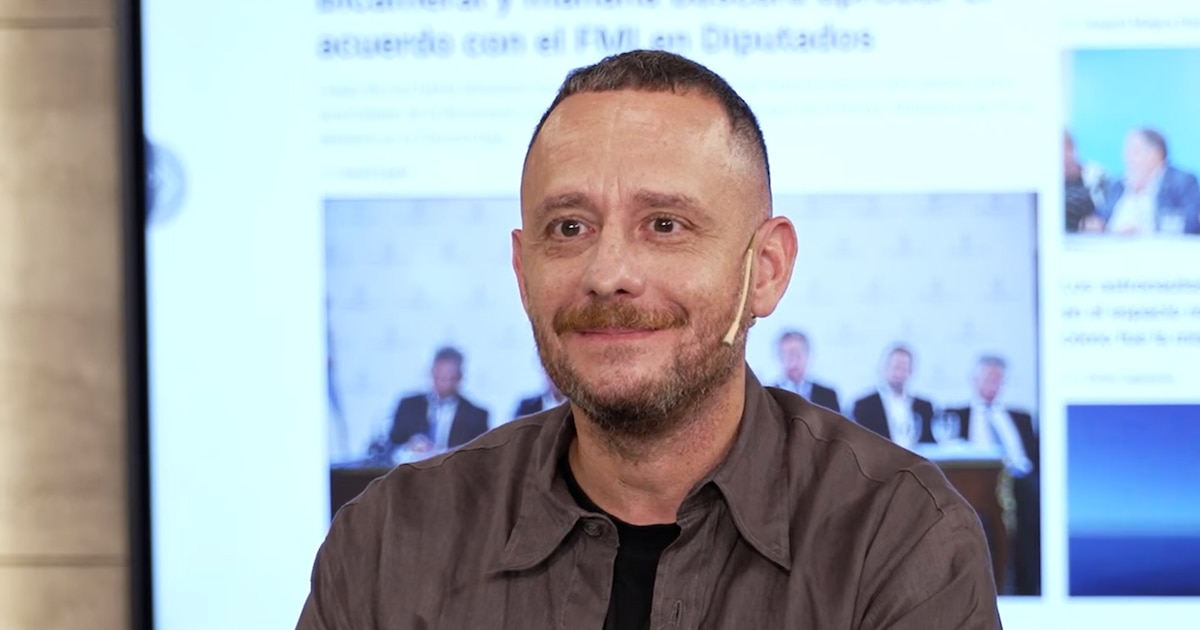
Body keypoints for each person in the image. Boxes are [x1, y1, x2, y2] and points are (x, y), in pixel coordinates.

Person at [298, 50, 1000, 629]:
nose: (608, 275)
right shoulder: (390, 542)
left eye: (665, 225)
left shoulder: (900, 539)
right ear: (522, 271)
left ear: (766, 270)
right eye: (569, 228)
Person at [947, 355, 1041, 596]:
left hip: (1018, 484)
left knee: (1031, 501)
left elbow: (1032, 460)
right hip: (974, 485)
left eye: (998, 378)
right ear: (975, 380)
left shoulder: (1021, 417)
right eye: (988, 377)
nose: (993, 383)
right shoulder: (955, 414)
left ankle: (1028, 591)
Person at [1089, 128, 1200, 235]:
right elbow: (1100, 216)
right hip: (1109, 244)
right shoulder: (1120, 184)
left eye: (1135, 152)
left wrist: (1142, 230)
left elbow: (1190, 222)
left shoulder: (1182, 182)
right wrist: (1095, 223)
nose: (1127, 159)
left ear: (1156, 154)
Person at [385, 346, 489, 458]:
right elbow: (391, 446)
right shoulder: (409, 406)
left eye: (449, 376)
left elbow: (481, 456)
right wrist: (409, 446)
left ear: (459, 377)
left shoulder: (476, 416)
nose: (442, 382)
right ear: (432, 372)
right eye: (438, 375)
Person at [851, 344, 935, 448]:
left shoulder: (924, 407)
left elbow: (930, 444)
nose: (899, 373)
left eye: (904, 368)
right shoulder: (864, 406)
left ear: (911, 371)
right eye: (896, 367)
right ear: (884, 368)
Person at [773, 329, 840, 412]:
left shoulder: (828, 396)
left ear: (808, 356)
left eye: (797, 355)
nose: (793, 362)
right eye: (788, 356)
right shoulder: (768, 395)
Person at [1063, 131, 1107, 232]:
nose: (1064, 155)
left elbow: (1109, 210)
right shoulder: (1046, 184)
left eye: (1066, 149)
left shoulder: (1097, 175)